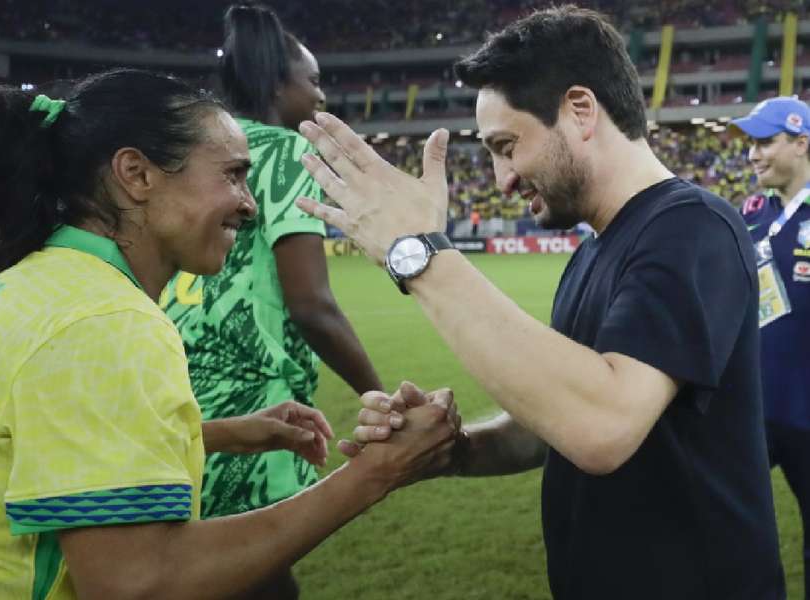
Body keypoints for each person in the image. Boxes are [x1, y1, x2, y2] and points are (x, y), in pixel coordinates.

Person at [0, 69, 457, 600]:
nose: (249, 204)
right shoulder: (103, 320)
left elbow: (40, 440)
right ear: (137, 174)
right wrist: (374, 474)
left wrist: (214, 433)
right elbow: (138, 581)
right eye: (232, 174)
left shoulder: (36, 283)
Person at [295, 6, 785, 600]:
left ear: (580, 111)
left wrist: (418, 254)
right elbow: (551, 424)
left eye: (506, 146)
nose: (502, 178)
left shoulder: (694, 228)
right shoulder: (594, 253)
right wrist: (453, 448)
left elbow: (601, 425)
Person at [162, 10, 381, 592]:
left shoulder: (193, 148)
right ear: (277, 84)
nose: (321, 94)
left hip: (176, 395)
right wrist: (378, 395)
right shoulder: (285, 154)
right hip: (252, 398)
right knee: (254, 572)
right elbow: (311, 303)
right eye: (312, 81)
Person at [731, 96, 810, 599]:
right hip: (755, 410)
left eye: (765, 142)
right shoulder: (753, 211)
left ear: (802, 142)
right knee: (726, 530)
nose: (753, 155)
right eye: (750, 144)